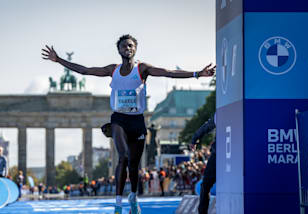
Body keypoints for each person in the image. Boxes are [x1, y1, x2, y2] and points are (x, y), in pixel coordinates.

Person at [42, 34, 215, 214]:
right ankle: (118, 203)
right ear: (119, 50)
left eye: (131, 46)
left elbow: (169, 73)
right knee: (122, 156)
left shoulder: (143, 69)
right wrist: (58, 60)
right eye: (124, 46)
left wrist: (197, 73)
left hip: (137, 120)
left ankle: (133, 196)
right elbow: (85, 70)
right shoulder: (112, 69)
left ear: (135, 49)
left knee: (134, 165)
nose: (128, 48)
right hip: (119, 119)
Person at [190, 114, 216, 214]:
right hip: (217, 154)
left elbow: (207, 126)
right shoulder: (220, 112)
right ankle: (202, 211)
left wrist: (195, 139)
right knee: (205, 185)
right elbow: (207, 126)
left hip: (220, 153)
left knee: (206, 185)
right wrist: (195, 138)